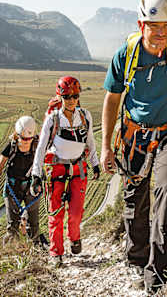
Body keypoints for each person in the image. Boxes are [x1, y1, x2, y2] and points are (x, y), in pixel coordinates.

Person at [101, 0, 167, 294]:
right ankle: (136, 258)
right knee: (135, 199)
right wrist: (106, 145)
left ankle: (156, 274)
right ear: (141, 23)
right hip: (134, 136)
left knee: (166, 189)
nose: (161, 34)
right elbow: (112, 98)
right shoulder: (126, 54)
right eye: (154, 26)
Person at [30, 76, 100, 267]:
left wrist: (95, 163)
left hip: (78, 167)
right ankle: (56, 252)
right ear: (60, 96)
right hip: (56, 169)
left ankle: (75, 238)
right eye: (68, 96)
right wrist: (36, 174)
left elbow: (90, 141)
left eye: (75, 96)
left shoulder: (84, 116)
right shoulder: (53, 120)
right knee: (56, 213)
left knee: (76, 212)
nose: (72, 100)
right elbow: (41, 148)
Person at [0, 116, 41, 244]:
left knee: (33, 223)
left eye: (29, 138)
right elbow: (1, 164)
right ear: (17, 135)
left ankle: (35, 248)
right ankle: (12, 248)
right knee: (12, 225)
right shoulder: (11, 147)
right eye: (23, 138)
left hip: (31, 188)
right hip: (13, 188)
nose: (26, 141)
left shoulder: (37, 146)